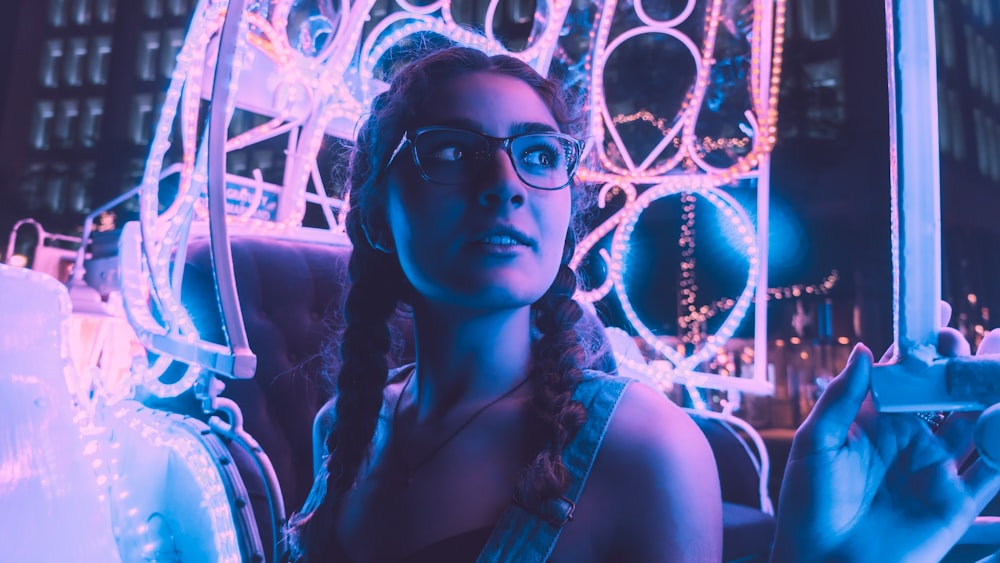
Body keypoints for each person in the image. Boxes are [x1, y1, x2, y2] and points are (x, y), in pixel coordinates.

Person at [286, 45, 1000, 561]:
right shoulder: (339, 432)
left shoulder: (642, 447)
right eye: (449, 151)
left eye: (537, 154)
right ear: (377, 214)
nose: (504, 182)